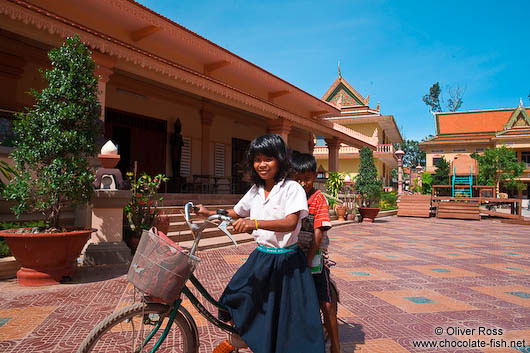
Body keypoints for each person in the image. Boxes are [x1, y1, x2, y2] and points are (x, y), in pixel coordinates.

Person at [198, 134, 325, 353]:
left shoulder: (291, 188)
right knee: (234, 296)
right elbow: (236, 212)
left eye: (268, 159)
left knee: (286, 319)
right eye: (257, 159)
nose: (262, 165)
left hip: (286, 261)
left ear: (280, 160)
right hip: (262, 257)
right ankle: (242, 339)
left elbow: (290, 222)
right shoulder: (255, 190)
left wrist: (255, 223)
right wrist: (210, 213)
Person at [292, 152, 341, 353]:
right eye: (298, 178)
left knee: (326, 303)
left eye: (307, 178)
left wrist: (309, 257)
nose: (303, 183)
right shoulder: (290, 196)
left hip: (314, 258)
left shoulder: (319, 199)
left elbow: (319, 232)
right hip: (292, 254)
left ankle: (336, 346)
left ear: (314, 176)